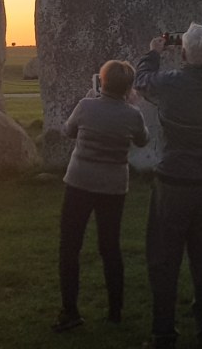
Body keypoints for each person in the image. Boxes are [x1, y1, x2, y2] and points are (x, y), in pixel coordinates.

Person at [135, 22, 202, 349]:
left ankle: (163, 333)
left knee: (164, 258)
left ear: (185, 53)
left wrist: (154, 52)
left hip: (173, 183)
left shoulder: (171, 84)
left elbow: (143, 81)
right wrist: (197, 50)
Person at [53, 60, 149, 332]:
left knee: (70, 247)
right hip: (113, 186)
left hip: (79, 182)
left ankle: (70, 311)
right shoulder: (132, 114)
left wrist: (86, 100)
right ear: (128, 87)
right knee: (110, 248)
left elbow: (67, 131)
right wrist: (133, 107)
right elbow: (143, 140)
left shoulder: (86, 106)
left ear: (102, 82)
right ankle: (115, 311)